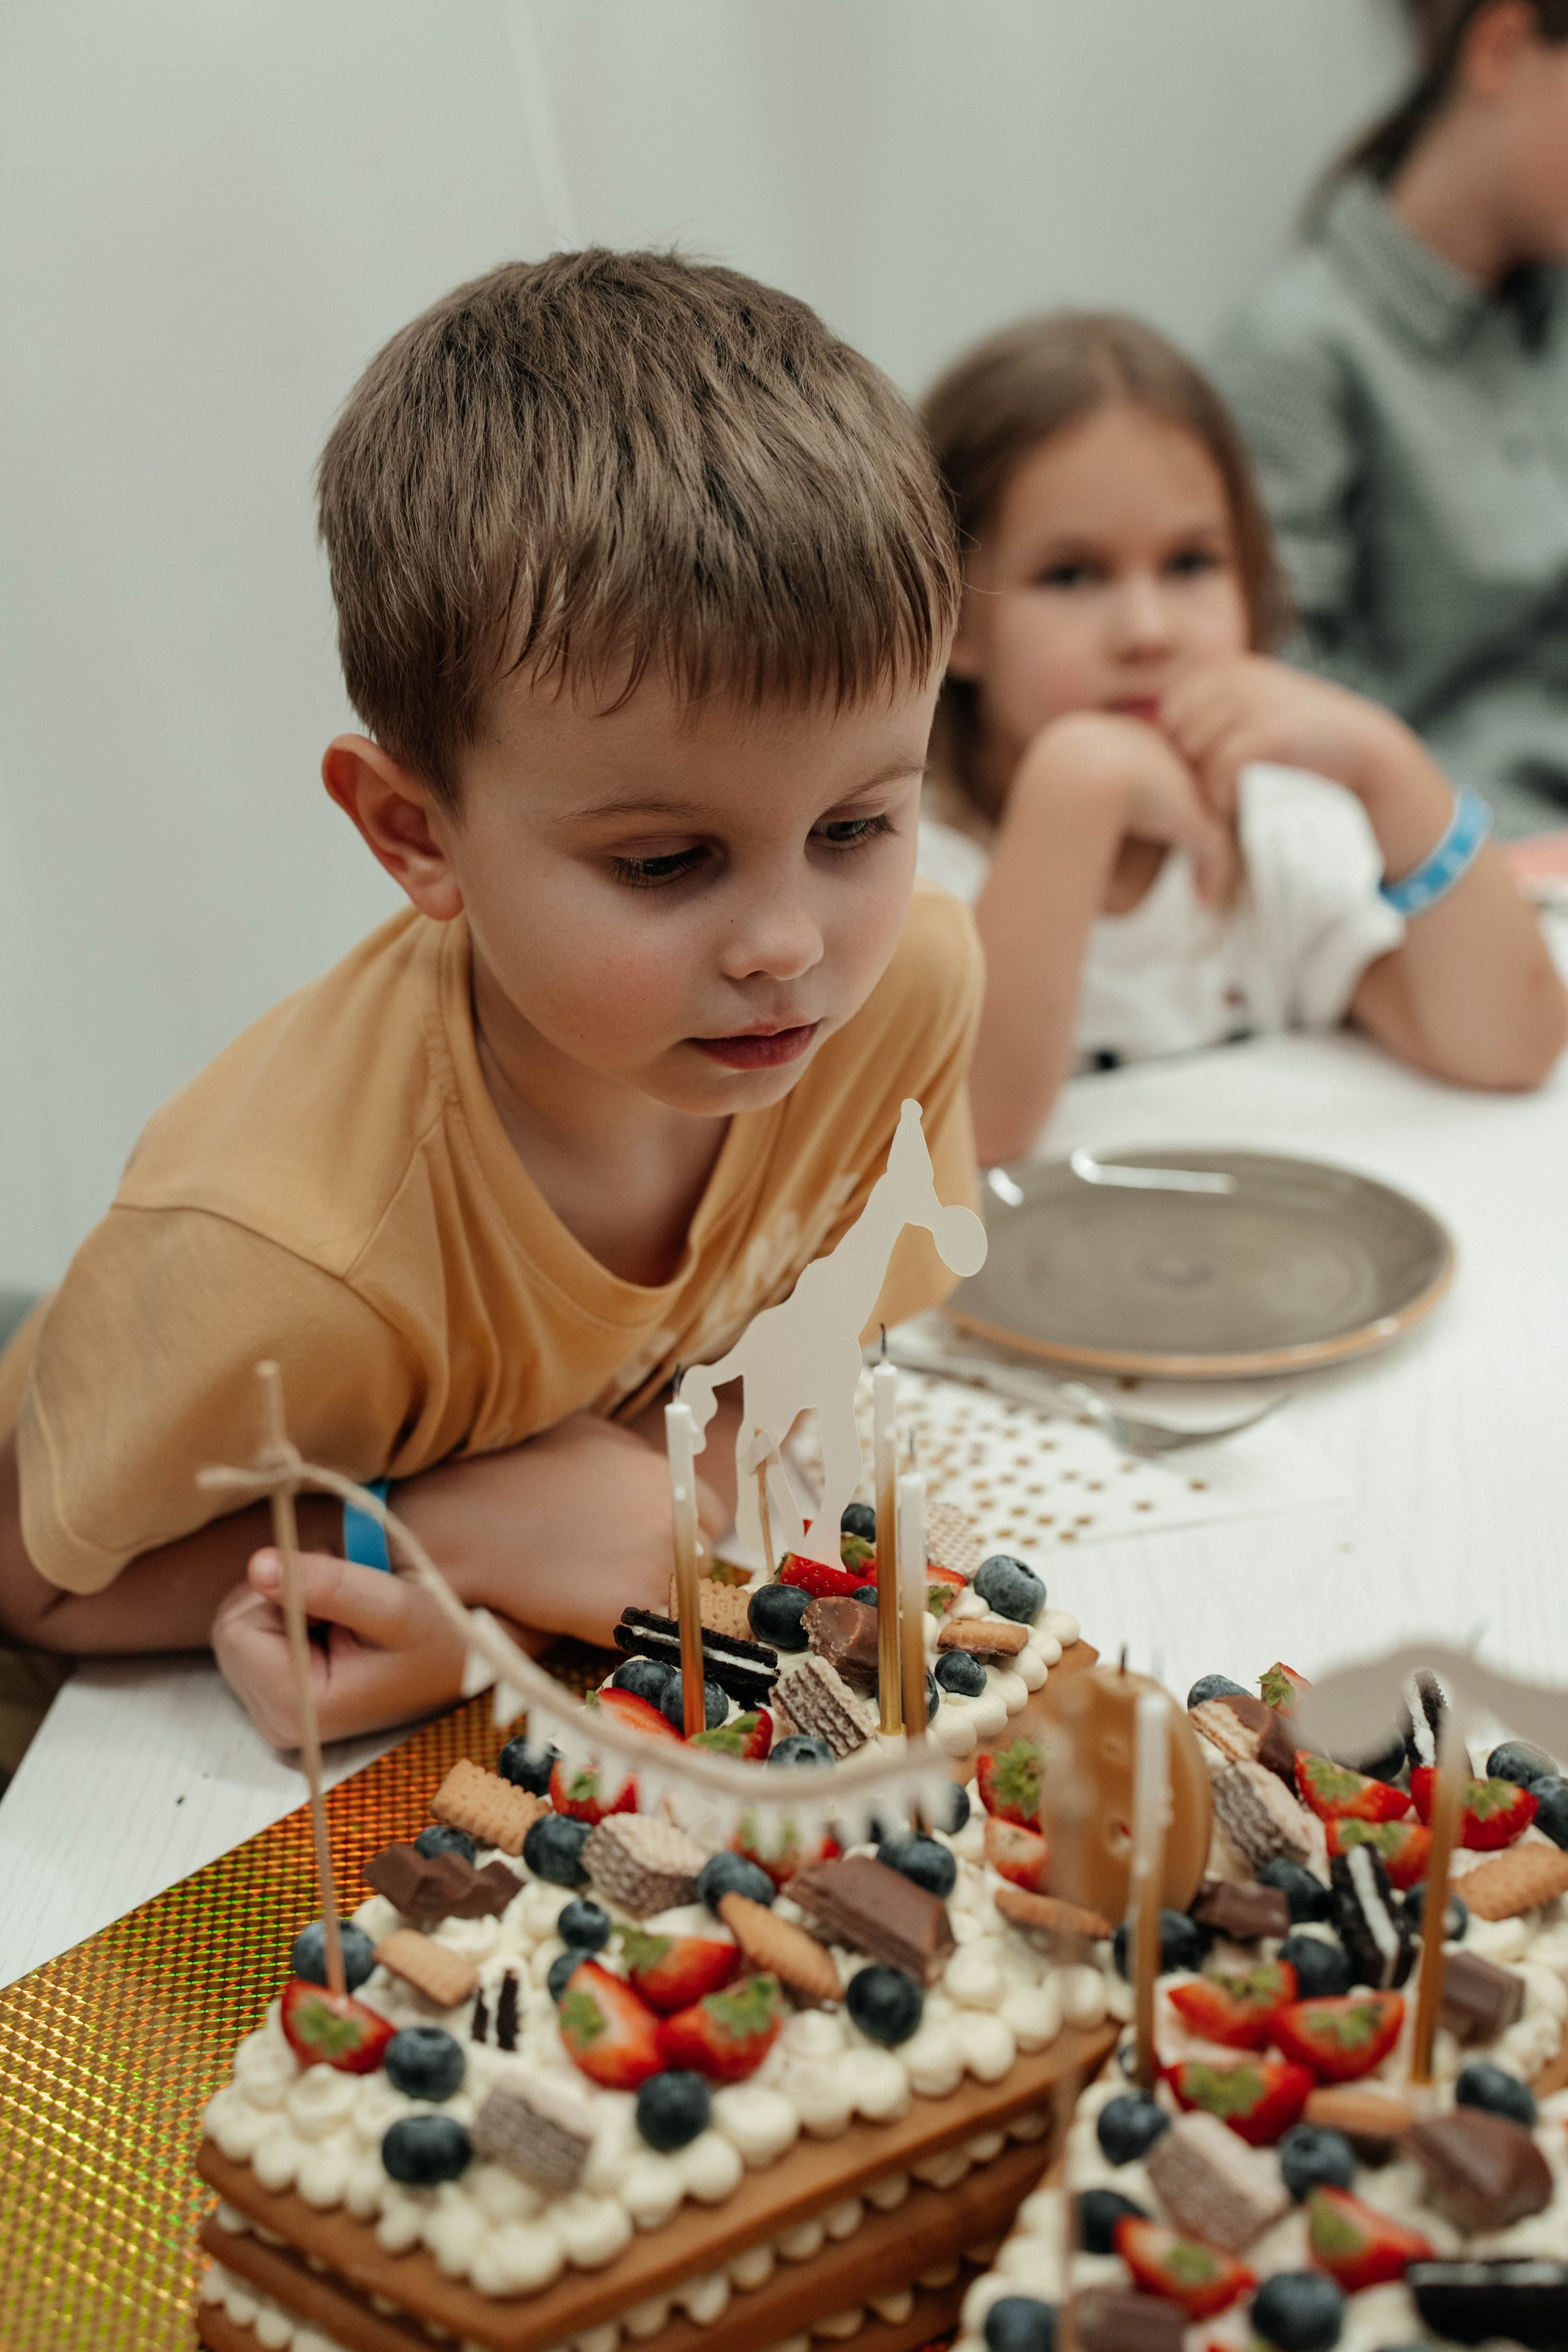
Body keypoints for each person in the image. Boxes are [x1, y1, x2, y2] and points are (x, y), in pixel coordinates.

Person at [0, 252, 979, 1746]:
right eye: (666, 860)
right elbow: (38, 1584)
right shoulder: (278, 1250)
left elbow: (780, 1390)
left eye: (855, 829)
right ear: (414, 832)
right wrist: (437, 1530)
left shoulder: (899, 994)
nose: (789, 943)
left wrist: (512, 1588)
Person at [916, 311, 1564, 1167]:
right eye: (1071, 575)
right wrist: (1075, 795)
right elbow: (974, 1137)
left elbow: (1509, 1048)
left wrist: (1389, 767)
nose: (1147, 632)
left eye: (1191, 564)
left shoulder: (1281, 831)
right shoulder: (911, 867)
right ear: (953, 619)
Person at [1215, 0, 1568, 839]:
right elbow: (1274, 705)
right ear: (1502, 48)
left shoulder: (1547, 315)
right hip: (1452, 865)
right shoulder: (1297, 351)